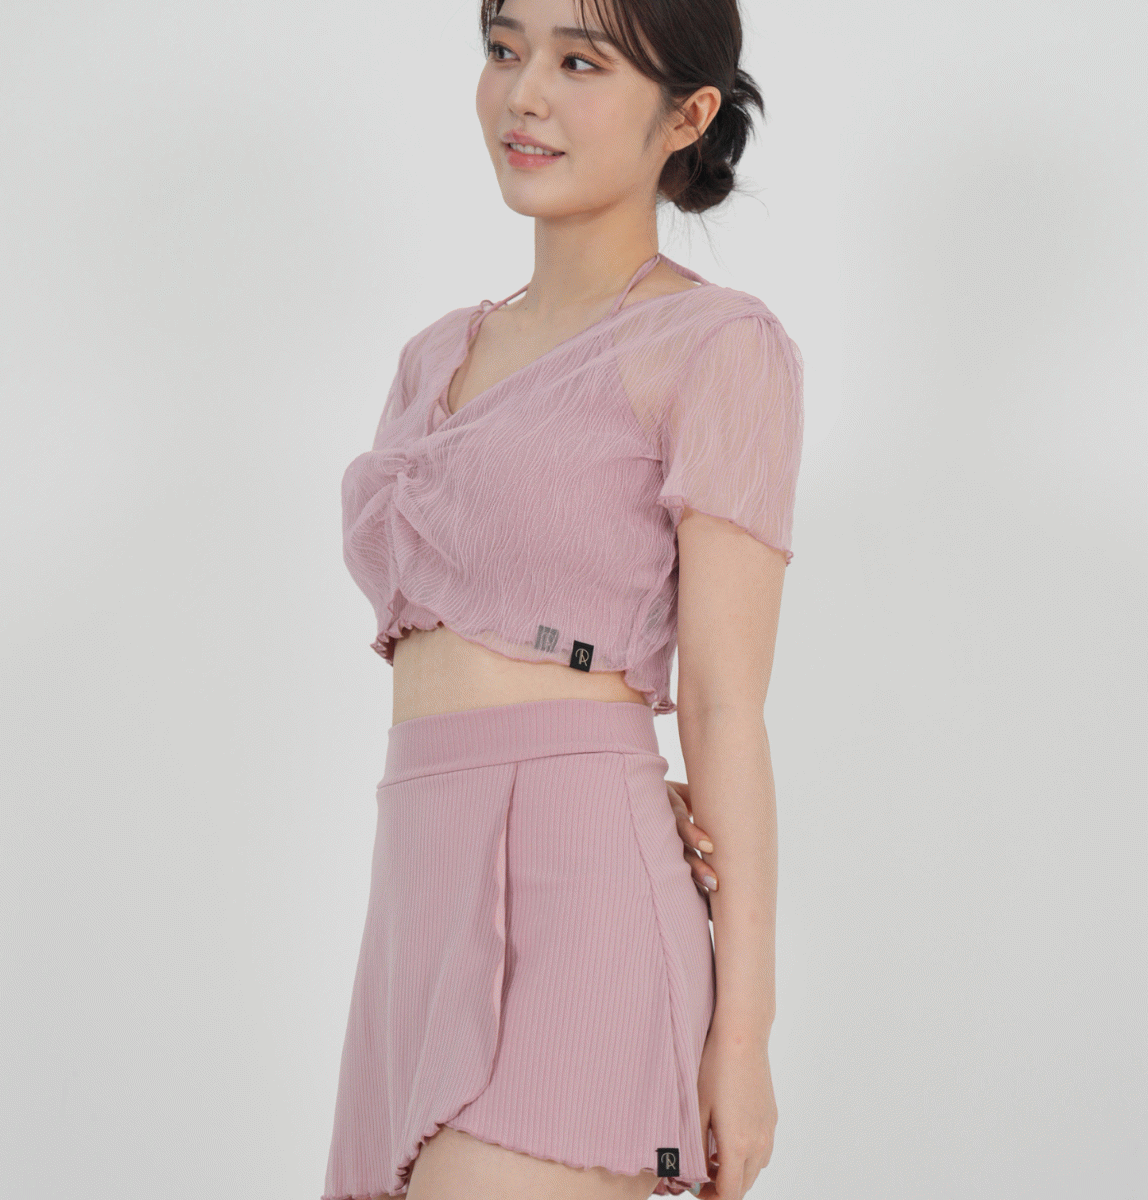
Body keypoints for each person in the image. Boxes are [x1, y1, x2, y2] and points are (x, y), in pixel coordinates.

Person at [321, 0, 804, 1197]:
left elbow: (726, 709)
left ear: (686, 115)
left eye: (579, 61)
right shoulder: (434, 356)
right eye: (504, 49)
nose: (523, 93)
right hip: (414, 891)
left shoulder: (714, 346)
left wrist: (743, 1041)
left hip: (578, 887)